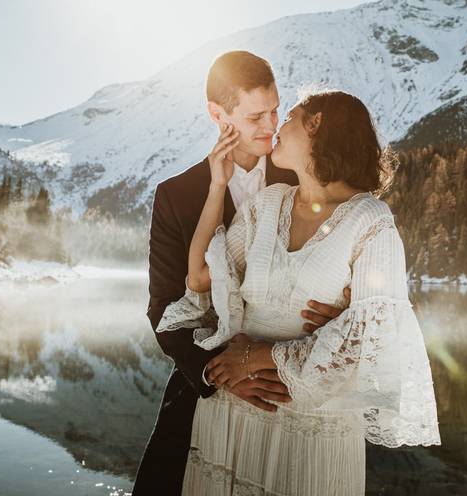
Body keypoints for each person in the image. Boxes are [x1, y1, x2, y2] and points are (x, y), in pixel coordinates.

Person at [157, 89, 441, 495]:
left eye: (288, 116)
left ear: (316, 125)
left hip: (310, 426)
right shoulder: (266, 204)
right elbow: (200, 277)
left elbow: (373, 339)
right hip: (231, 411)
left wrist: (257, 355)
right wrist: (218, 184)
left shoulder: (371, 221)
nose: (276, 127)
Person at [133, 51, 351, 495]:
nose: (271, 127)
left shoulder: (304, 173)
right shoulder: (175, 196)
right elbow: (163, 311)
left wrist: (342, 310)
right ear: (218, 115)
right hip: (205, 397)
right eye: (256, 117)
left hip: (292, 395)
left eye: (275, 111)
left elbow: (349, 268)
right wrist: (218, 375)